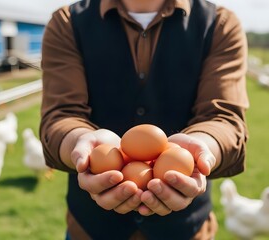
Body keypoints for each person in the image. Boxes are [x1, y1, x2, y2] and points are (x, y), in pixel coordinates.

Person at [40, 0, 249, 239]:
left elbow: (224, 117)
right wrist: (80, 142)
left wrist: (201, 150)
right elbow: (61, 114)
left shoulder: (220, 24)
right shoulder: (67, 23)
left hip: (186, 230)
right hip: (90, 230)